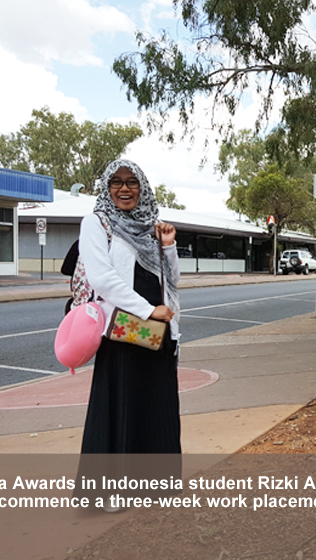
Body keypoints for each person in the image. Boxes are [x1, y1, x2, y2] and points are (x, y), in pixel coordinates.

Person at [77, 159, 182, 458]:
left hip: (158, 334)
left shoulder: (152, 227)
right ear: (107, 187)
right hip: (122, 332)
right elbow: (102, 279)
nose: (124, 188)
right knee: (121, 409)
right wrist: (149, 310)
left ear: (142, 187)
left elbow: (171, 280)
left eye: (132, 182)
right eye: (117, 182)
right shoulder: (97, 223)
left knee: (157, 409)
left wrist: (168, 246)